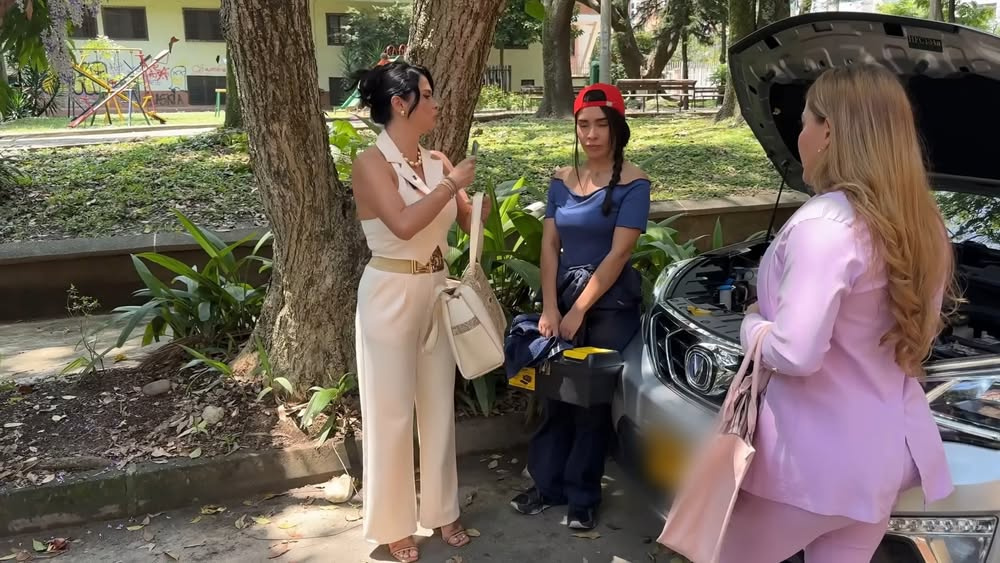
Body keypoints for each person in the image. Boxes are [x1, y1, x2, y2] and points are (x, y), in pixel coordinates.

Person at [718, 64, 955, 562]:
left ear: (828, 132)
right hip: (881, 461)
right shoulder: (926, 225)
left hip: (806, 465)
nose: (799, 136)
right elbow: (921, 331)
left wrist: (753, 324)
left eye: (804, 121)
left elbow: (796, 353)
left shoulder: (826, 223)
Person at [350, 61, 491, 563]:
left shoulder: (436, 161)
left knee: (437, 407)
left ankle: (442, 509)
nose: (436, 104)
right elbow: (405, 224)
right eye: (427, 95)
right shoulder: (370, 163)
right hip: (389, 291)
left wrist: (473, 202)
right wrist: (451, 186)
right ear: (400, 103)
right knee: (390, 413)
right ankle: (393, 523)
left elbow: (468, 222)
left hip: (437, 289)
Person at [510, 83, 650, 530]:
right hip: (564, 299)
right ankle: (546, 485)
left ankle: (583, 497)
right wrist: (551, 307)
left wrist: (579, 311)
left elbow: (619, 255)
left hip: (609, 307)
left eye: (600, 125)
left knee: (590, 404)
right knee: (555, 396)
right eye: (583, 124)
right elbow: (549, 245)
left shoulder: (635, 183)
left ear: (617, 128)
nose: (590, 134)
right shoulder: (561, 179)